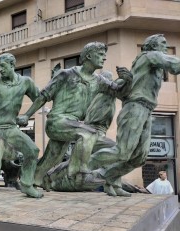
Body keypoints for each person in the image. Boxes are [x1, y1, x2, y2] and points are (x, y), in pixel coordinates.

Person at [17, 42, 127, 191]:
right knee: (87, 133)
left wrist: (129, 80)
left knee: (53, 158)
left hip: (73, 125)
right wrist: (26, 115)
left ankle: (29, 180)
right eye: (100, 54)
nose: (104, 58)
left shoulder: (99, 81)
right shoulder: (66, 74)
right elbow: (44, 96)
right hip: (57, 121)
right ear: (88, 56)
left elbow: (120, 92)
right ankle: (78, 173)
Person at [88, 34, 180, 191]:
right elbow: (174, 65)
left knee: (139, 158)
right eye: (162, 43)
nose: (166, 46)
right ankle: (83, 168)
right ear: (152, 46)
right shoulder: (150, 56)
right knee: (122, 152)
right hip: (135, 108)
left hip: (146, 111)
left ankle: (108, 177)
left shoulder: (153, 65)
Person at [0, 53, 42, 198]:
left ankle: (26, 184)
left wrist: (27, 115)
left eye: (3, 66)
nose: (0, 69)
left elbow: (39, 99)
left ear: (12, 65)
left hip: (11, 129)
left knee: (32, 150)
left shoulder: (25, 82)